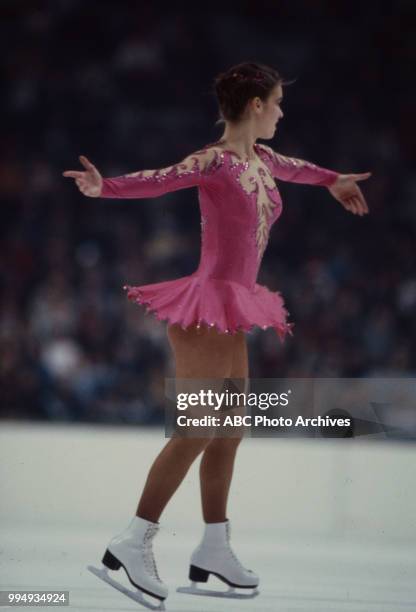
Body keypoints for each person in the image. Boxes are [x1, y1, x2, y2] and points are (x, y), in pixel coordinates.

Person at [63, 61, 370, 608]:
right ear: (255, 105)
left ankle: (212, 546)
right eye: (276, 103)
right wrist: (102, 187)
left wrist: (332, 180)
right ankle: (132, 541)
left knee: (229, 432)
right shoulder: (215, 162)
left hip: (232, 308)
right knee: (197, 432)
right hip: (206, 305)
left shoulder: (264, 159)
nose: (280, 112)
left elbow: (299, 169)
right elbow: (159, 179)